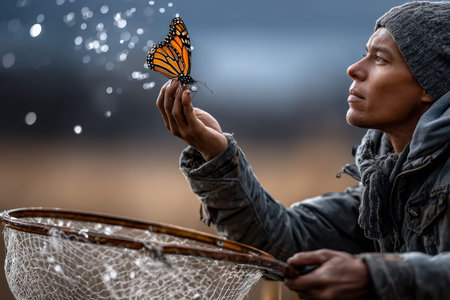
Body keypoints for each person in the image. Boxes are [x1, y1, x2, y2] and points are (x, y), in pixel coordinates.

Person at [155, 1, 450, 299]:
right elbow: (282, 242)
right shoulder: (382, 191)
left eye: (381, 60)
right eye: (365, 55)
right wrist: (215, 152)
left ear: (429, 84)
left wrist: (375, 276)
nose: (354, 69)